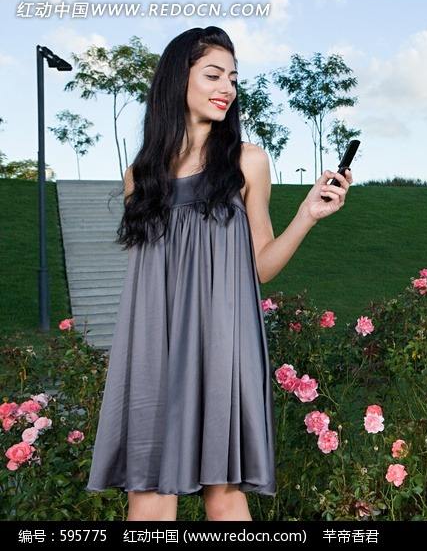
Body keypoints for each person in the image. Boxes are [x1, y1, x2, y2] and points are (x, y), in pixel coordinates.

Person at [84, 26, 352, 521]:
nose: (227, 87)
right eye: (213, 74)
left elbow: (261, 267)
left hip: (223, 343)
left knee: (224, 492)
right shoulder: (140, 176)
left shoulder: (247, 162)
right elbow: (149, 278)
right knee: (148, 489)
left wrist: (307, 215)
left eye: (232, 77)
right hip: (152, 343)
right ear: (176, 81)